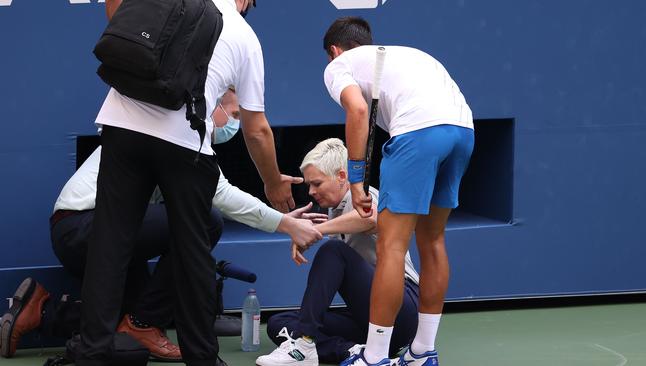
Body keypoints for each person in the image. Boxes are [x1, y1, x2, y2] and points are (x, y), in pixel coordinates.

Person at [0, 104, 323, 361]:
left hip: (94, 232)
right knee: (205, 219)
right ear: (213, 105)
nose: (233, 125)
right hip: (83, 226)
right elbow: (221, 196)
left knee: (124, 318)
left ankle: (40, 312)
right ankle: (143, 325)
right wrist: (287, 224)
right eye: (235, 115)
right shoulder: (182, 135)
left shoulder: (180, 132)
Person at [79, 0, 295, 364]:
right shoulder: (244, 35)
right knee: (193, 255)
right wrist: (273, 185)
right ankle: (202, 359)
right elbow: (256, 130)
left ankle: (92, 354)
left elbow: (118, 17)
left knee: (108, 246)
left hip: (121, 127)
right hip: (183, 143)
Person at [321, 17, 474, 366]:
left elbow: (357, 110)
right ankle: (422, 352)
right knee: (432, 240)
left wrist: (357, 179)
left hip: (418, 133)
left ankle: (373, 357)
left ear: (334, 51)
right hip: (464, 131)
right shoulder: (407, 56)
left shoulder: (338, 66)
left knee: (392, 245)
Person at [255, 138, 420, 366]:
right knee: (280, 323)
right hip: (369, 320)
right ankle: (350, 352)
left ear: (342, 176)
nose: (311, 191)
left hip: (403, 309)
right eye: (309, 186)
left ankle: (304, 345)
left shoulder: (361, 194)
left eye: (317, 183)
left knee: (333, 251)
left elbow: (370, 217)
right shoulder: (336, 210)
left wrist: (314, 231)